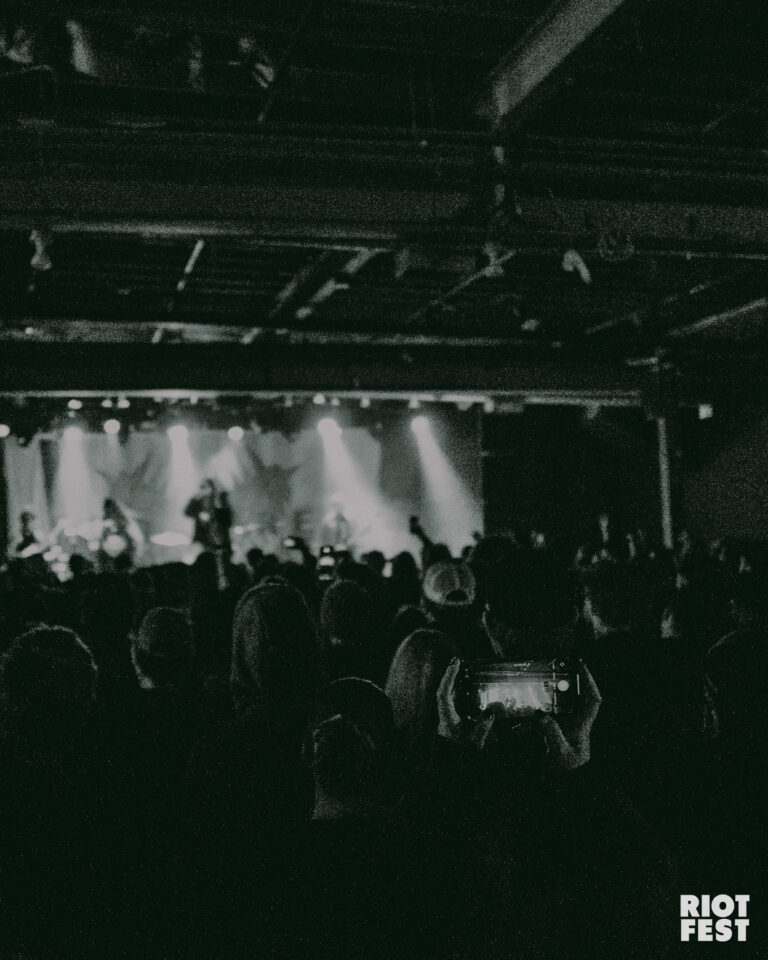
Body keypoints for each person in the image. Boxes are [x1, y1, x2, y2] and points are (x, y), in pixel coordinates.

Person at [184, 479, 233, 555]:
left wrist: (220, 508)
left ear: (212, 488)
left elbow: (228, 519)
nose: (205, 490)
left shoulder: (219, 499)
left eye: (207, 487)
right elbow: (187, 512)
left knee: (221, 553)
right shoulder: (198, 500)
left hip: (219, 535)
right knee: (205, 555)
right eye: (203, 488)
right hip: (204, 536)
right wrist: (199, 514)